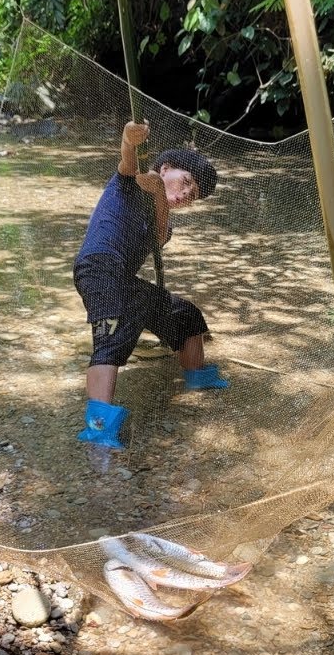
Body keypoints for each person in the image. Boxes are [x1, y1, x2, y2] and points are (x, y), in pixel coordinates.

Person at [73, 121, 228, 450]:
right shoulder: (132, 182)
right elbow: (133, 166)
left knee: (185, 314)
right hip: (99, 267)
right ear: (167, 167)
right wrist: (130, 140)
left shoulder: (163, 218)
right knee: (111, 338)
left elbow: (159, 234)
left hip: (124, 280)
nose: (186, 194)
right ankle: (98, 427)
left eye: (193, 195)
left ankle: (197, 375)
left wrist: (161, 191)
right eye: (185, 182)